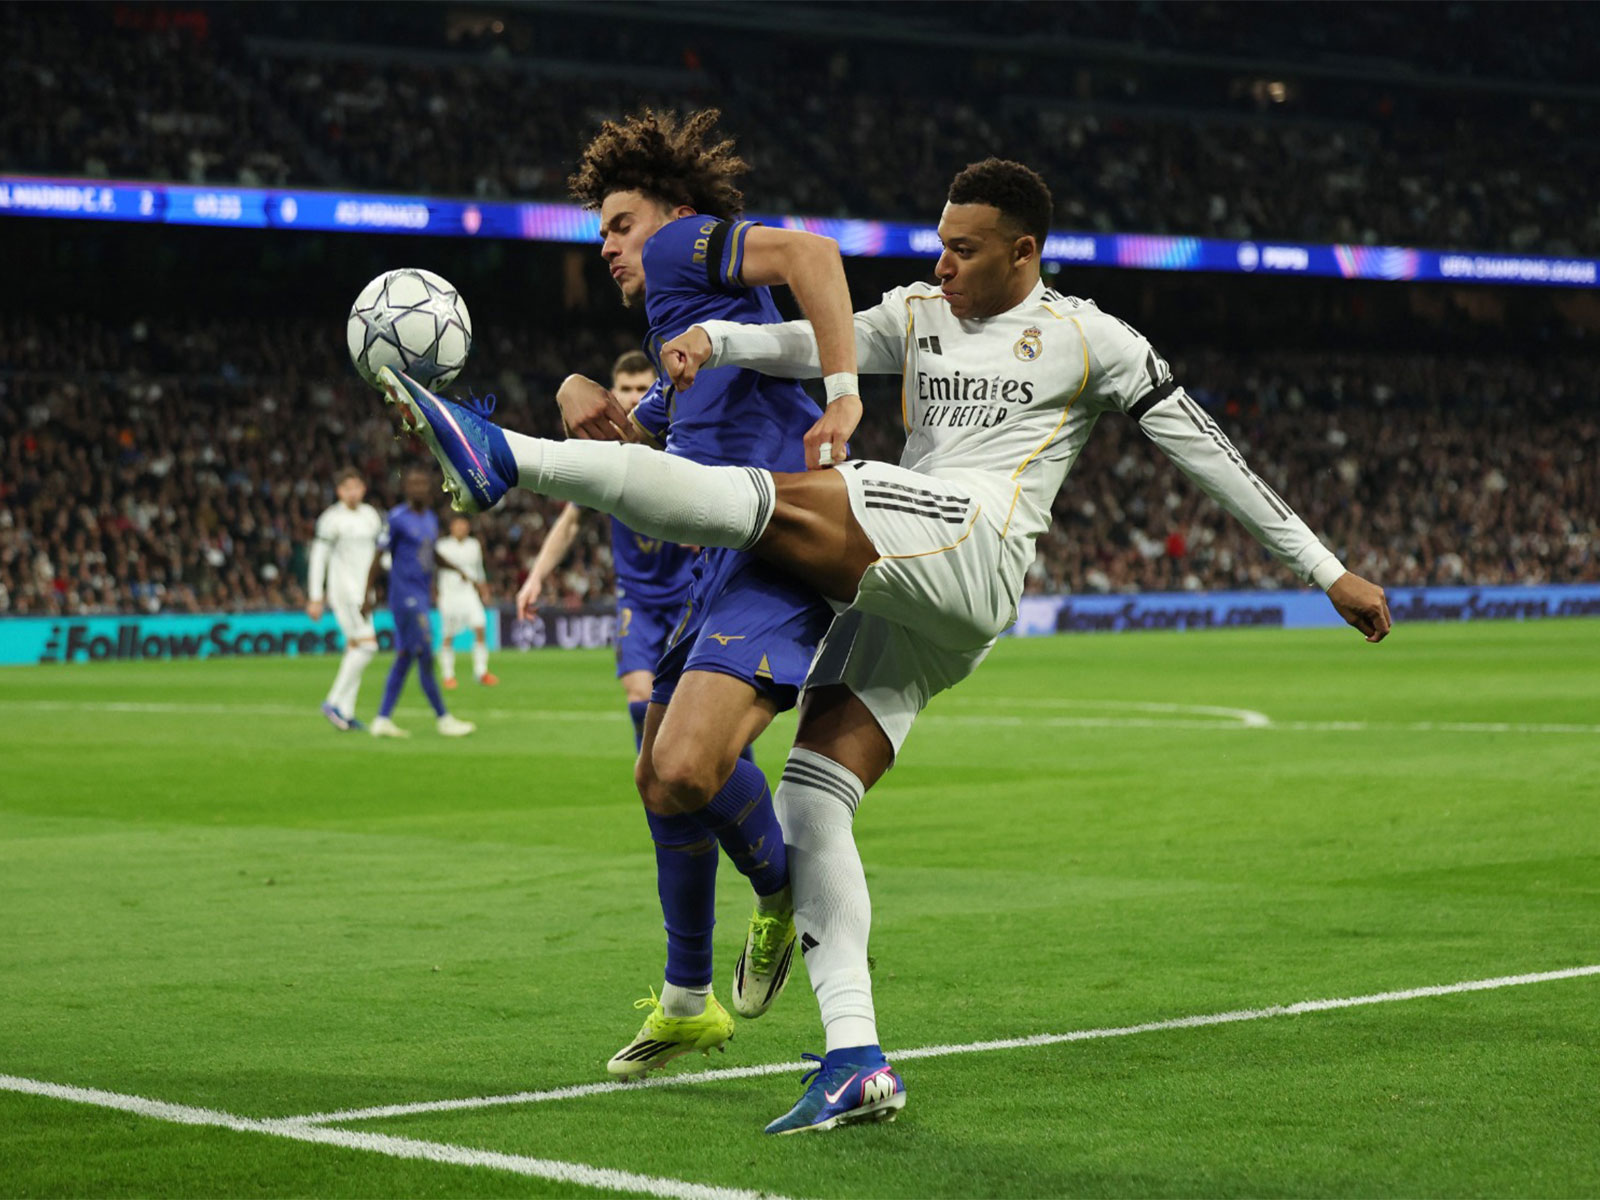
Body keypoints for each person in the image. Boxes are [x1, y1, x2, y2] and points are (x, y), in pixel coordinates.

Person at [381, 155, 1392, 1132]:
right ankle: (856, 1059)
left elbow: (1204, 452)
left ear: (1022, 252)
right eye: (938, 244)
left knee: (781, 497)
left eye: (961, 249)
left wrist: (1325, 569)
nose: (940, 263)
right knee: (811, 803)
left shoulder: (1091, 338)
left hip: (977, 539)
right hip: (914, 598)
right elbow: (799, 345)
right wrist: (715, 348)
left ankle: (504, 455)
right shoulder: (916, 315)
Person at [515, 351, 697, 750]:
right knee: (639, 696)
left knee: (699, 707)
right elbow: (572, 522)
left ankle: (732, 782)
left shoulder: (686, 440)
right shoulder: (606, 453)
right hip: (638, 598)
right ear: (612, 394)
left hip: (692, 593)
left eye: (642, 388)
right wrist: (535, 576)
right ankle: (655, 791)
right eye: (626, 389)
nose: (634, 398)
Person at [366, 465, 479, 739]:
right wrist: (366, 594)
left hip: (421, 594)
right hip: (404, 596)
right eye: (413, 484)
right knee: (426, 653)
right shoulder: (396, 519)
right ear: (406, 489)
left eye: (422, 484)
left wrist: (459, 569)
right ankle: (443, 718)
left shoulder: (429, 518)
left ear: (429, 489)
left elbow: (432, 555)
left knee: (406, 656)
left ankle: (382, 719)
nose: (418, 488)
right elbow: (377, 557)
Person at [306, 468, 384, 731]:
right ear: (339, 491)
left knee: (355, 648)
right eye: (347, 488)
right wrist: (316, 596)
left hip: (365, 593)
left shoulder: (371, 516)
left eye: (357, 487)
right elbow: (319, 558)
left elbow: (380, 553)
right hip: (345, 591)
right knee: (368, 647)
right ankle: (333, 701)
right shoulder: (331, 520)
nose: (353, 492)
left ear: (363, 488)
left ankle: (346, 713)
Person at [435, 514, 498, 689]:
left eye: (464, 525)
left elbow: (479, 571)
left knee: (480, 627)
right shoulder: (442, 546)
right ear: (451, 527)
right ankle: (448, 675)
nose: (462, 528)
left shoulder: (474, 545)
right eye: (458, 525)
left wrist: (484, 591)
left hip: (469, 594)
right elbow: (435, 571)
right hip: (449, 595)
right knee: (448, 636)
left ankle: (481, 672)